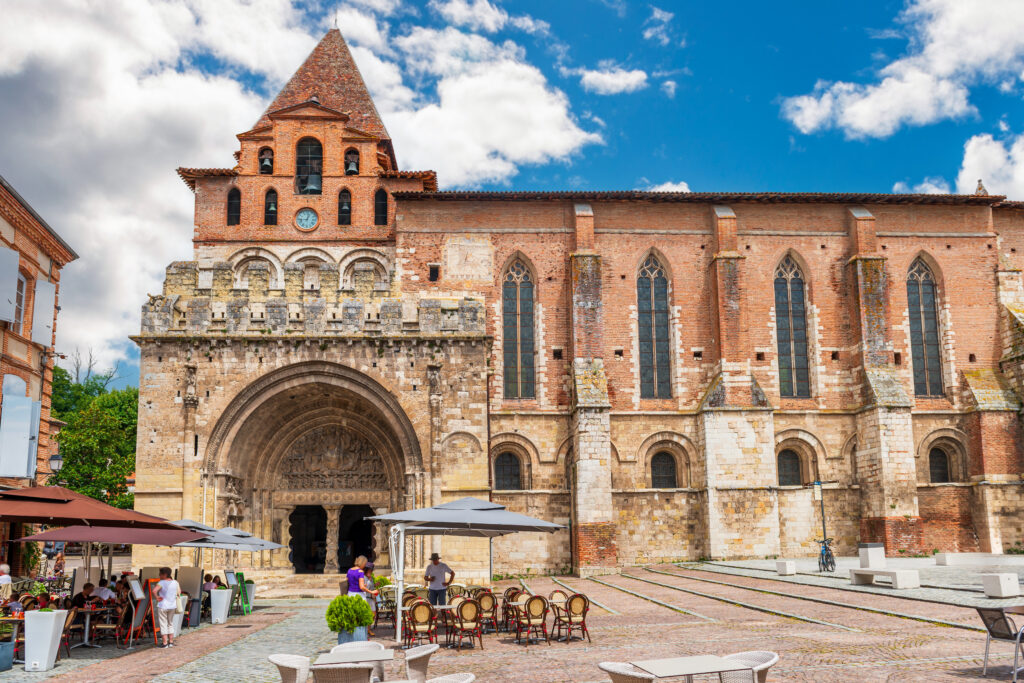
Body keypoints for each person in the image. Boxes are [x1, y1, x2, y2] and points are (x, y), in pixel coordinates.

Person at [156, 567, 180, 648]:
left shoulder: (161, 582)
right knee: (170, 623)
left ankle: (165, 643)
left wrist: (157, 597)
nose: (159, 575)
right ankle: (171, 642)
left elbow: (154, 590)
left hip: (163, 605)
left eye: (160, 574)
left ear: (165, 574)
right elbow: (179, 593)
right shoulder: (175, 582)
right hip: (172, 606)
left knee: (163, 624)